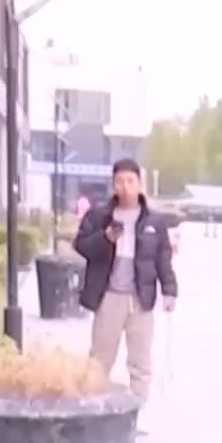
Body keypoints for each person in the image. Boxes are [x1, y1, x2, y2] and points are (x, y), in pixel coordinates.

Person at [75, 158, 177, 407]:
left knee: (140, 362)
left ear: (140, 184)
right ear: (113, 184)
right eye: (119, 181)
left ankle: (137, 412)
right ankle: (93, 408)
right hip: (108, 297)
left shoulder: (154, 222)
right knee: (99, 360)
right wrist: (105, 238)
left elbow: (163, 259)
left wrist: (169, 290)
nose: (125, 187)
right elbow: (81, 245)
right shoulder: (99, 215)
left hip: (141, 299)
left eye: (130, 181)